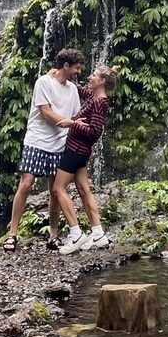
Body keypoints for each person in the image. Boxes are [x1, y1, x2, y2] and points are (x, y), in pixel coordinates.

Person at [4, 47, 84, 252]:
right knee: (26, 183)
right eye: (76, 68)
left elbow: (76, 115)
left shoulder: (73, 89)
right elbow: (46, 112)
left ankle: (54, 235)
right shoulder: (43, 82)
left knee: (54, 190)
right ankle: (12, 234)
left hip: (60, 143)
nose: (79, 72)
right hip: (37, 140)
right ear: (65, 66)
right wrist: (68, 122)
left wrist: (76, 126)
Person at [53, 63, 117, 254]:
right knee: (83, 190)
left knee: (58, 188)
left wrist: (71, 123)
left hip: (76, 150)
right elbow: (81, 90)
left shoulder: (100, 102)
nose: (89, 77)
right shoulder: (94, 97)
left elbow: (94, 133)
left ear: (102, 81)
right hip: (81, 151)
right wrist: (60, 75)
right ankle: (98, 234)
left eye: (94, 75)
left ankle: (76, 234)